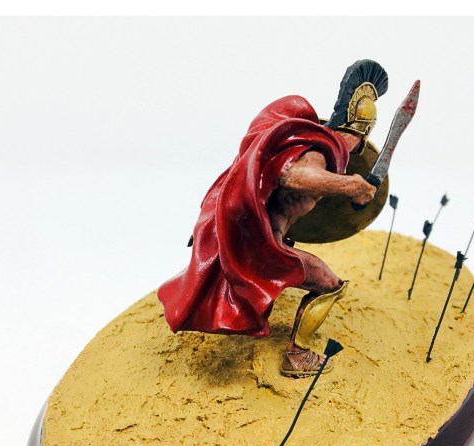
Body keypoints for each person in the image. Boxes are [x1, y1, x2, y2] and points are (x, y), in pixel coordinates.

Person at [157, 60, 388, 377]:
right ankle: (297, 356)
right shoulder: (322, 149)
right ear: (360, 136)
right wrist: (353, 187)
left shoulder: (310, 148)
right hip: (262, 251)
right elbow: (292, 176)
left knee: (301, 274)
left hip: (263, 243)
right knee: (330, 286)